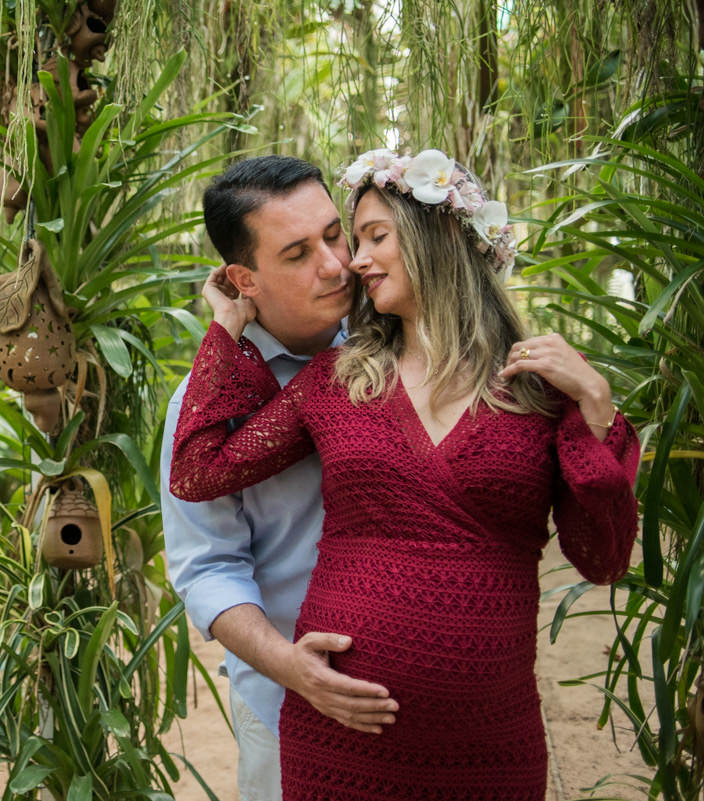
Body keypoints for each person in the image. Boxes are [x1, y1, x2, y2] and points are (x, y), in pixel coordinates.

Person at [169, 148, 640, 801]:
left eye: (355, 235)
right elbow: (197, 481)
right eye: (302, 252)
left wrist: (597, 409)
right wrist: (225, 332)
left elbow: (604, 557)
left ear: (441, 233)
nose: (346, 262)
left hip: (488, 743)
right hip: (322, 721)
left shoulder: (535, 389)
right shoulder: (332, 382)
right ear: (245, 278)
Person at [159, 155, 398, 801]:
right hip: (289, 704)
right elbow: (206, 568)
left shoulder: (406, 346)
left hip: (419, 704)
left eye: (333, 235)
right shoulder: (203, 410)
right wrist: (291, 667)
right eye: (296, 253)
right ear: (244, 278)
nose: (333, 264)